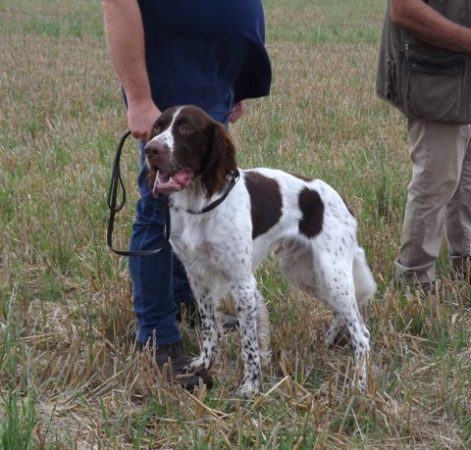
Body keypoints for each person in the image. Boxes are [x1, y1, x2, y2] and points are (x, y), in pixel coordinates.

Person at [102, 0, 271, 389]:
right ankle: (158, 338)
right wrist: (140, 98)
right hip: (169, 84)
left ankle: (186, 305)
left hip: (211, 81)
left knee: (198, 204)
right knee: (158, 208)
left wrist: (233, 82)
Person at [376, 0, 471, 290]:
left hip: (461, 76)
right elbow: (404, 9)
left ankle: (465, 259)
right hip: (436, 77)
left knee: (466, 176)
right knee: (436, 177)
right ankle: (414, 276)